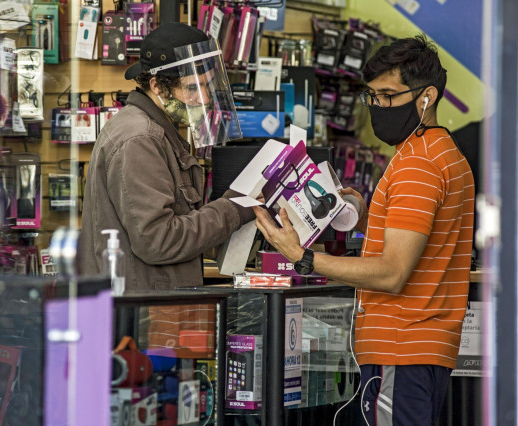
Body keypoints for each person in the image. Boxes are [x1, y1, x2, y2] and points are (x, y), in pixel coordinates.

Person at [253, 35, 474, 425]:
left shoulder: (417, 165)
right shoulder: (444, 155)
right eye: (372, 96)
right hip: (420, 350)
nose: (378, 107)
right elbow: (428, 244)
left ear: (428, 97)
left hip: (401, 349)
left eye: (388, 96)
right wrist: (372, 219)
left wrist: (302, 258)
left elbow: (392, 273)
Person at [77, 22, 254, 291]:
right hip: (143, 310)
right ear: (157, 85)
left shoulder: (153, 129)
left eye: (207, 86)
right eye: (192, 88)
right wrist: (232, 211)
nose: (204, 98)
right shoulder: (141, 139)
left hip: (150, 303)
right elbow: (159, 241)